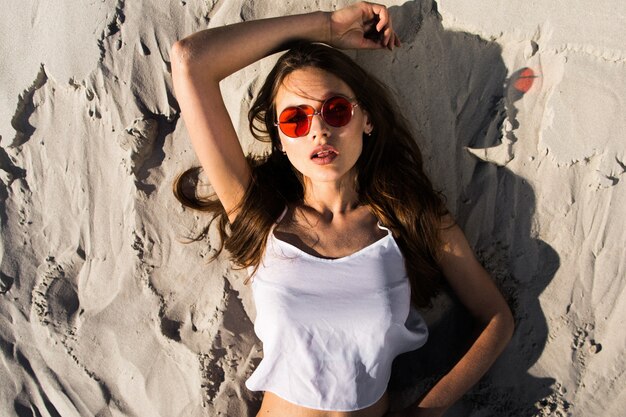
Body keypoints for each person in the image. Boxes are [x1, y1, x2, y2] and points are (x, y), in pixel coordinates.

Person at [170, 2, 514, 416]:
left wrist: (425, 412)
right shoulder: (258, 215)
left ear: (365, 119)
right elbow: (190, 61)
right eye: (296, 120)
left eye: (336, 110)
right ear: (280, 139)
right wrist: (326, 27)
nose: (319, 129)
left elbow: (496, 318)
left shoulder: (408, 219)